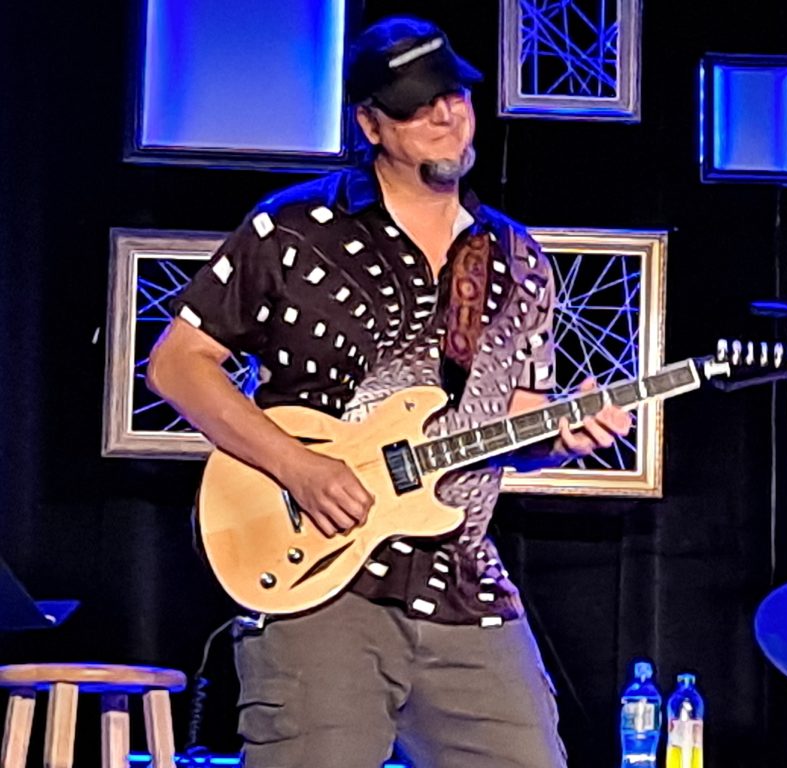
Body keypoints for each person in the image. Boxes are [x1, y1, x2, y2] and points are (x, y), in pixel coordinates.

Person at [146, 15, 631, 768]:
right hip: (320, 583)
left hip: (464, 584)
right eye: (415, 102)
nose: (444, 114)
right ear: (371, 123)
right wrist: (299, 468)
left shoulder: (518, 257)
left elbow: (504, 429)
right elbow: (178, 364)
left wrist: (562, 433)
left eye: (456, 95)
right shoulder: (294, 228)